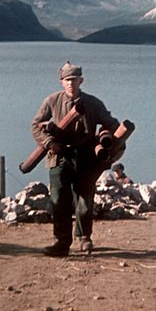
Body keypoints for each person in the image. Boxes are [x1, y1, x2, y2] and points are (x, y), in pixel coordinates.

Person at [31, 61, 119, 257]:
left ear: (81, 80)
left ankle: (84, 238)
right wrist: (48, 143)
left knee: (85, 200)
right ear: (61, 82)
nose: (71, 83)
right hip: (59, 156)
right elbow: (35, 126)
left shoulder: (93, 103)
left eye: (74, 80)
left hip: (85, 157)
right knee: (59, 200)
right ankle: (61, 242)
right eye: (67, 80)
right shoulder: (52, 101)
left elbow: (113, 124)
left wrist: (104, 137)